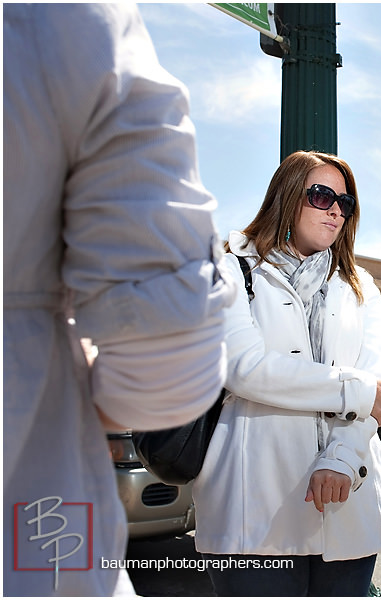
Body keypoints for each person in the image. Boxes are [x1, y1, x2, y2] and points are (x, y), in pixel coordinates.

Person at [3, 4, 236, 596]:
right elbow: (166, 364)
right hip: (35, 542)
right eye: (319, 195)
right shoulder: (69, 20)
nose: (335, 211)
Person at [192, 150, 381, 596]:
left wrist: (341, 459)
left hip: (348, 505)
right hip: (255, 510)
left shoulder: (361, 286)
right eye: (322, 196)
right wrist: (355, 390)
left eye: (347, 203)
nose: (337, 210)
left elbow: (380, 390)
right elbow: (244, 368)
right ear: (287, 196)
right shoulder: (230, 269)